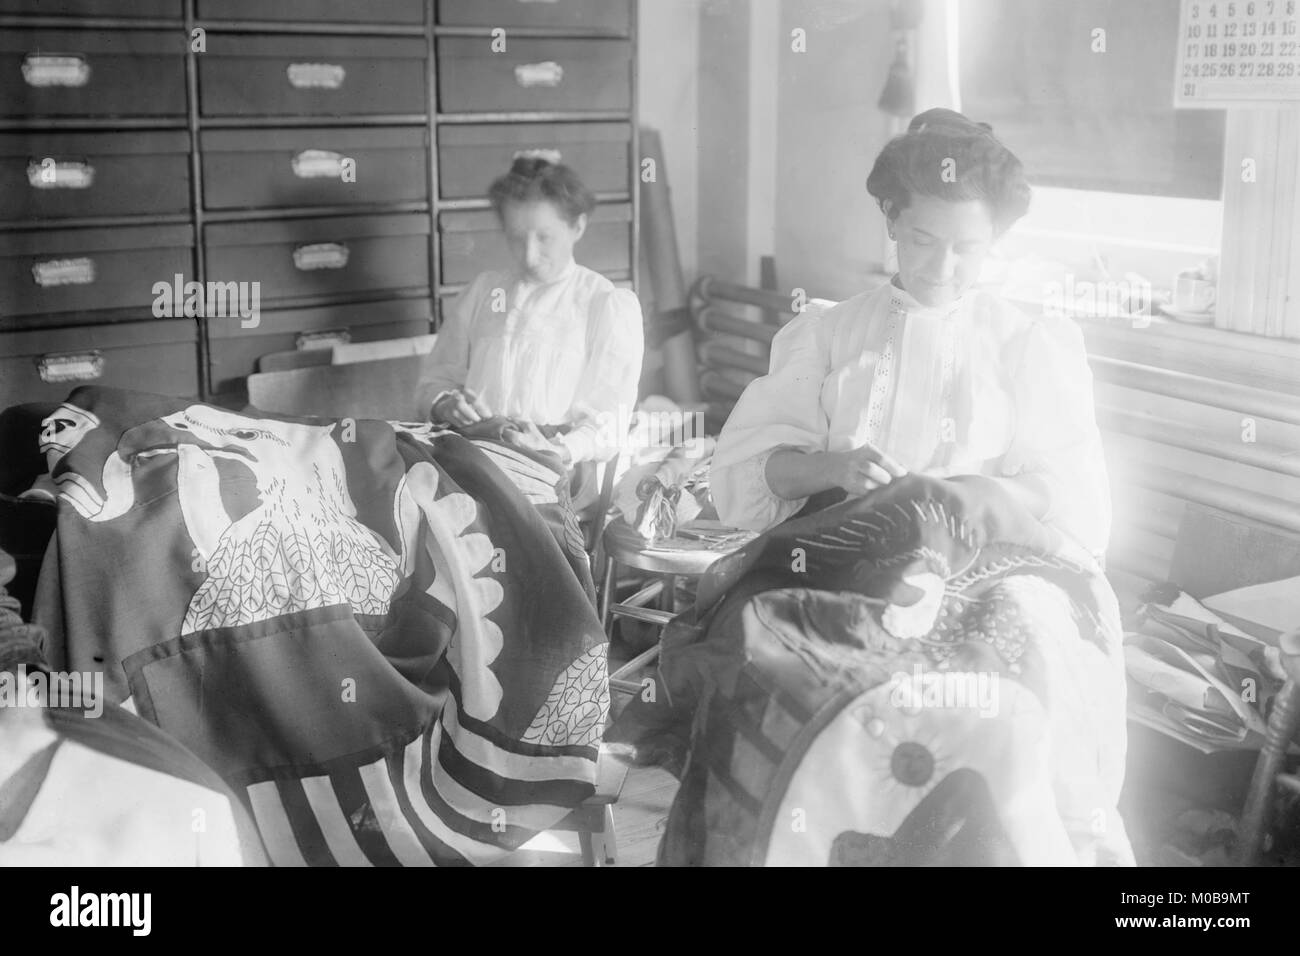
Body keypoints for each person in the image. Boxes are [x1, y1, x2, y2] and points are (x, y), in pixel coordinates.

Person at [711, 108, 1111, 561]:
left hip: (980, 564)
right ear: (891, 221)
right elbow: (753, 476)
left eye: (966, 248)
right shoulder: (828, 332)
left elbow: (1068, 492)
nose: (942, 269)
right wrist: (837, 468)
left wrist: (975, 493)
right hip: (844, 557)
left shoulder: (1024, 345)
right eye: (923, 241)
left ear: (993, 239)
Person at [416, 157, 644, 497]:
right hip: (473, 455)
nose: (529, 255)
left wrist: (562, 449)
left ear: (577, 227)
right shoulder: (484, 291)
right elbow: (433, 381)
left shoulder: (603, 304)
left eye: (545, 238)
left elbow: (610, 423)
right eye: (516, 238)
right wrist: (443, 403)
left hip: (551, 473)